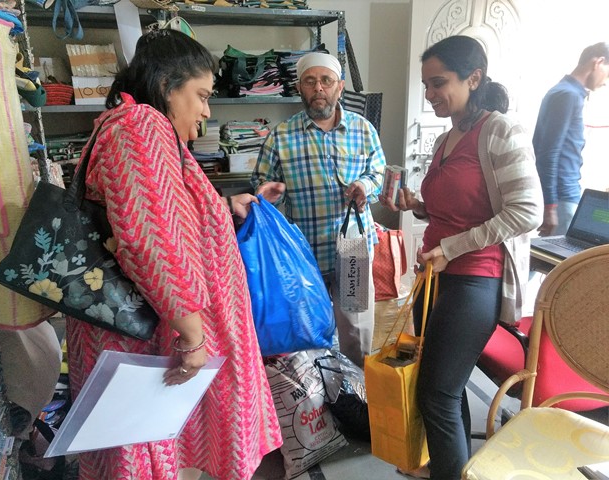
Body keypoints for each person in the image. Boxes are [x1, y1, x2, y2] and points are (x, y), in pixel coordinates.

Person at [65, 29, 282, 480]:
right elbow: (149, 240)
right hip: (155, 341)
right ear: (167, 87)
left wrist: (221, 207)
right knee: (149, 453)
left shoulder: (136, 128)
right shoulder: (141, 127)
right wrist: (193, 337)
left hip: (152, 334)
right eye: (201, 95)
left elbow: (157, 212)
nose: (206, 111)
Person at [379, 35, 543, 479]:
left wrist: (450, 249)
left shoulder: (500, 132)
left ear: (474, 78)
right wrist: (418, 206)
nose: (431, 95)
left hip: (475, 277)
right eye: (426, 85)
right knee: (442, 391)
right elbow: (453, 208)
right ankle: (454, 468)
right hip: (436, 276)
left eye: (439, 83)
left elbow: (526, 212)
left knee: (439, 391)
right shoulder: (446, 138)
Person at [251, 52, 386, 368]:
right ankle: (319, 399)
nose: (318, 88)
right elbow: (260, 182)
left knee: (355, 330)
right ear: (300, 88)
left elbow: (378, 172)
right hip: (303, 251)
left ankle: (357, 396)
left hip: (352, 248)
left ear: (339, 87)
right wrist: (268, 193)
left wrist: (366, 187)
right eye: (310, 82)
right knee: (308, 328)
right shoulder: (282, 136)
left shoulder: (363, 130)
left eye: (326, 81)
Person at [533, 42, 609, 236]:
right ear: (598, 62)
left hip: (558, 197)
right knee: (560, 263)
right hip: (561, 198)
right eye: (607, 74)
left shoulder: (561, 91)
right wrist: (550, 206)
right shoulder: (568, 95)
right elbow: (548, 154)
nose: (605, 82)